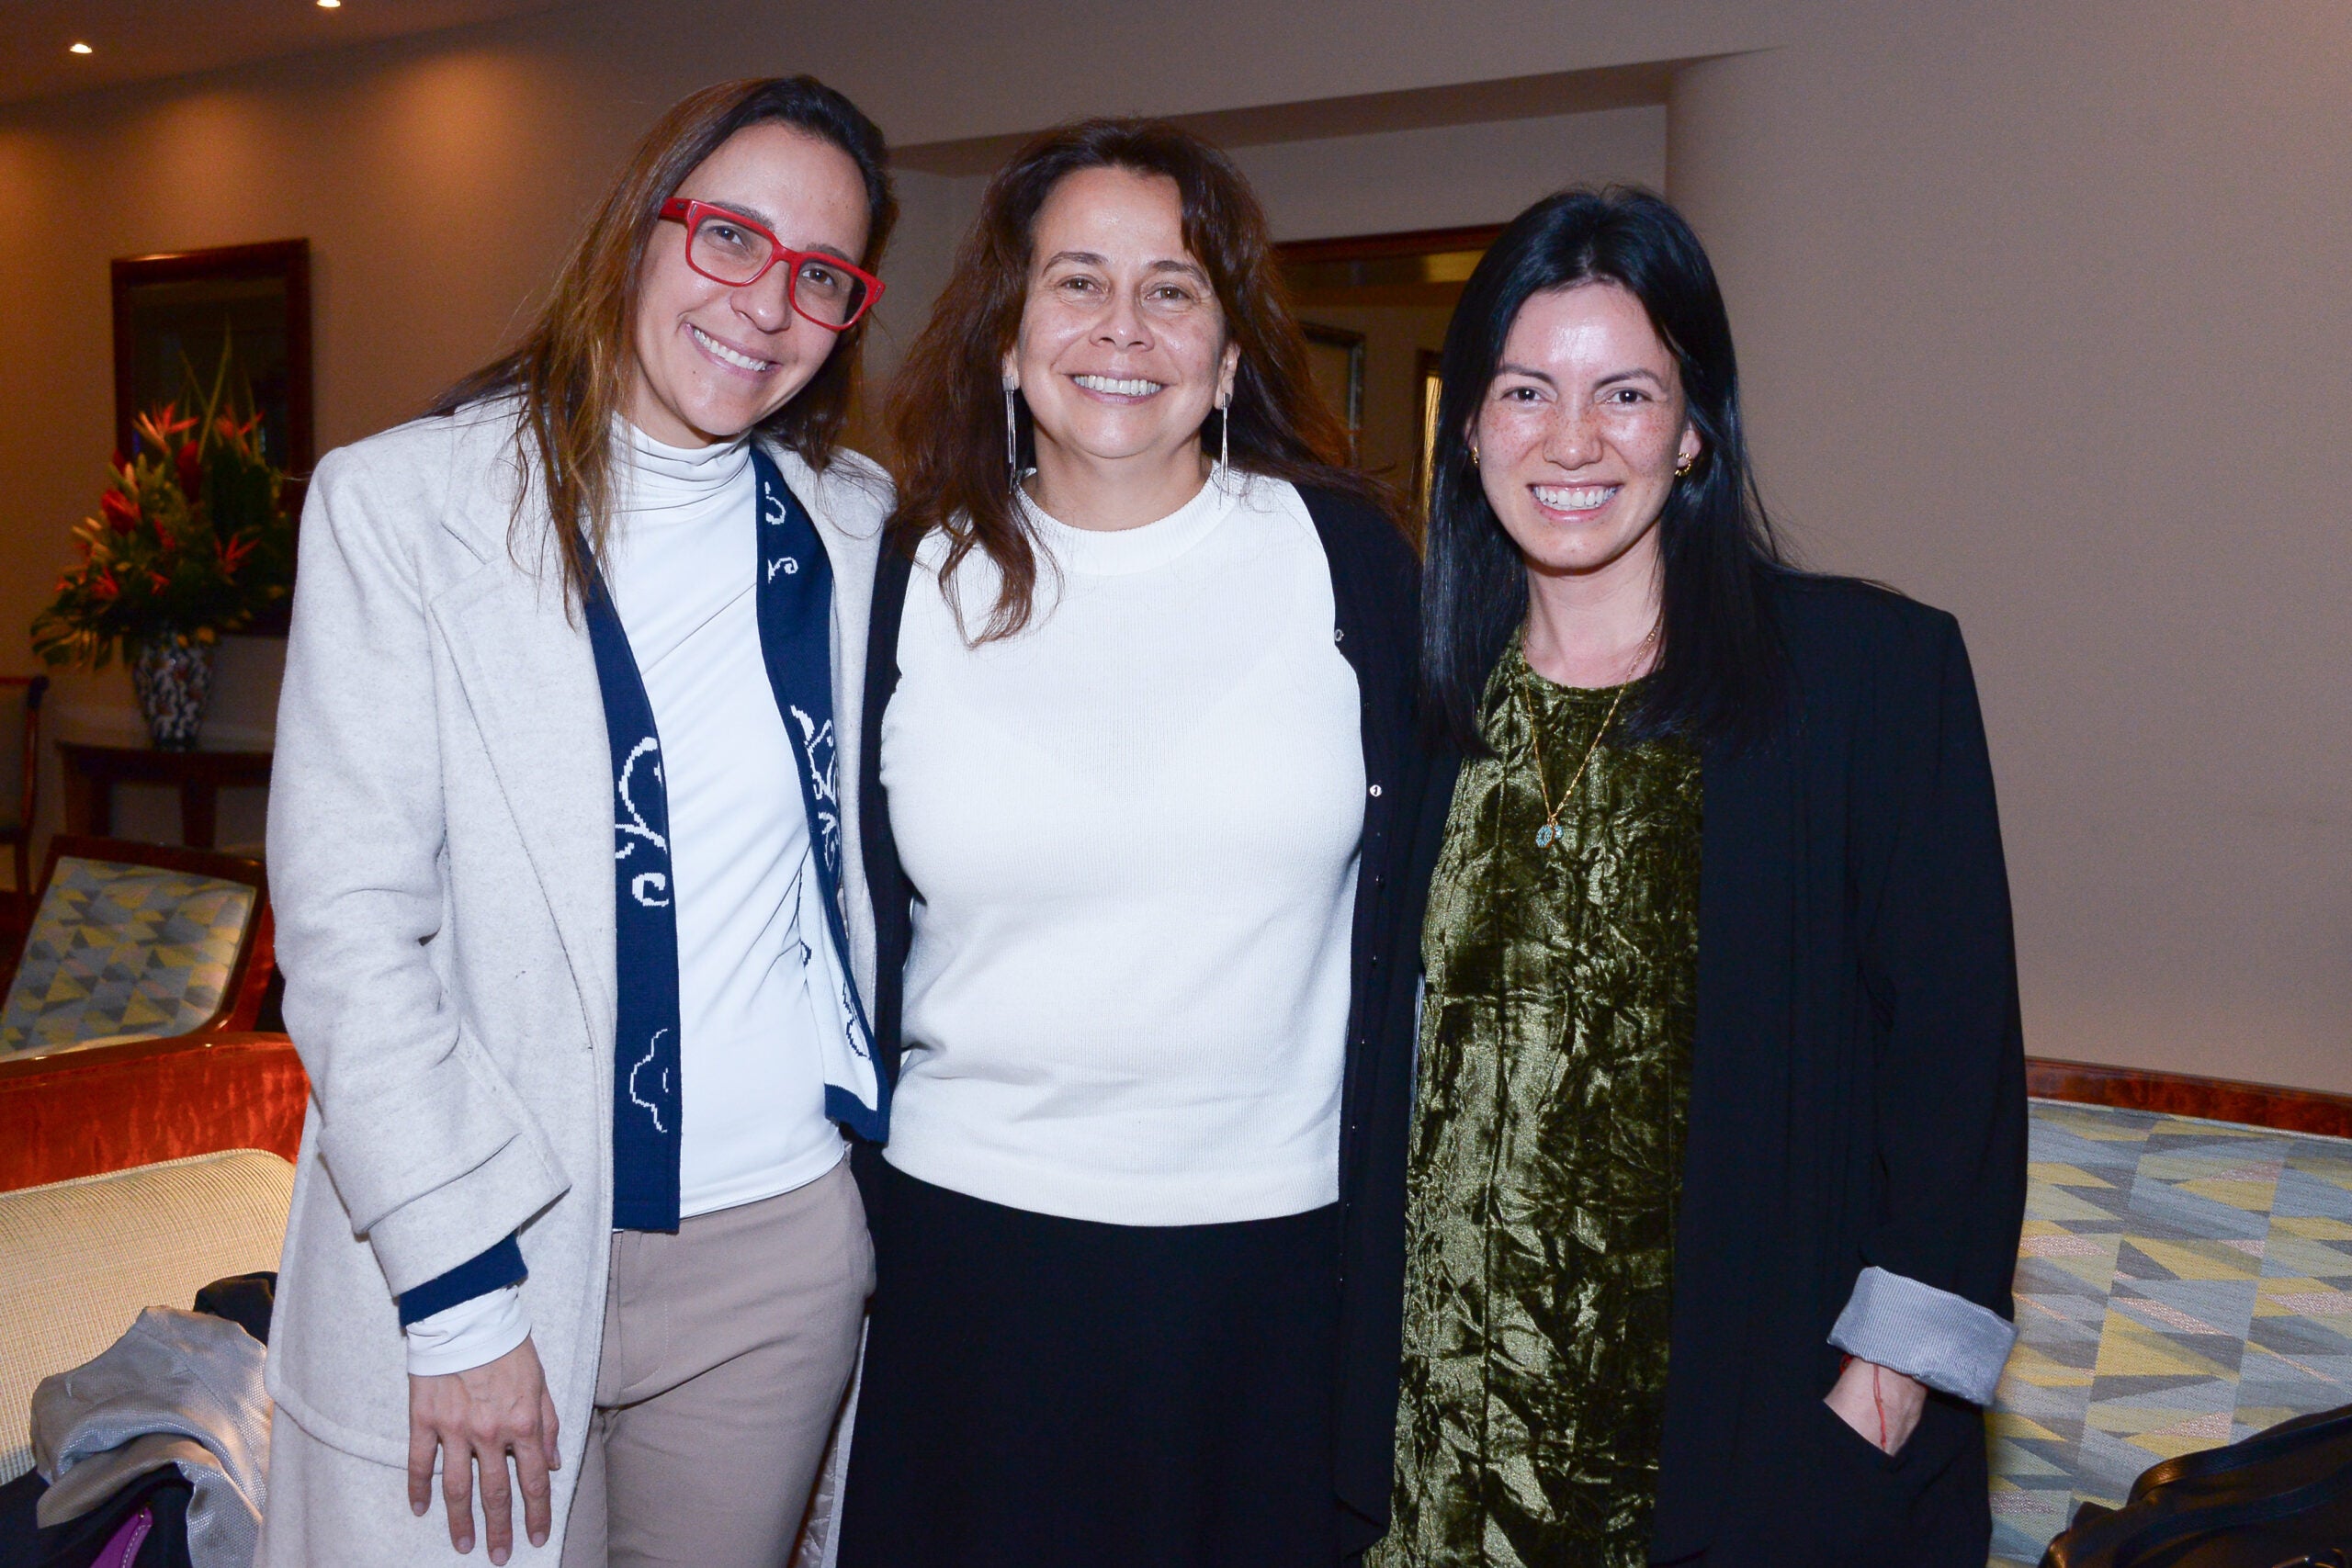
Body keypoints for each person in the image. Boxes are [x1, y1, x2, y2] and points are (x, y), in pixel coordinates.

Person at [257, 76, 898, 1568]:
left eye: (822, 274)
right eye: (731, 237)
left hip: (774, 1264)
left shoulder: (859, 528)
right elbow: (350, 931)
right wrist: (461, 1295)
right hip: (494, 1236)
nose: (767, 303)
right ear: (640, 228)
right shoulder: (402, 509)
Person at [1377, 186, 2027, 1568]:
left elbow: (1956, 1063)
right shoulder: (1419, 719)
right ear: (1474, 427)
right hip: (1445, 1462)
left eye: (1623, 393)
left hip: (1745, 1464)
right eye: (1524, 390)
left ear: (1691, 430)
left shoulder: (1864, 682)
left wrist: (1886, 1390)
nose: (1570, 440)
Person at [833, 118, 1439, 1568]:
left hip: (1278, 1261)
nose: (1123, 326)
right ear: (1003, 337)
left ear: (1229, 356)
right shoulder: (907, 572)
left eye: (1172, 287)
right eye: (1076, 282)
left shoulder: (1344, 558)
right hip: (968, 1251)